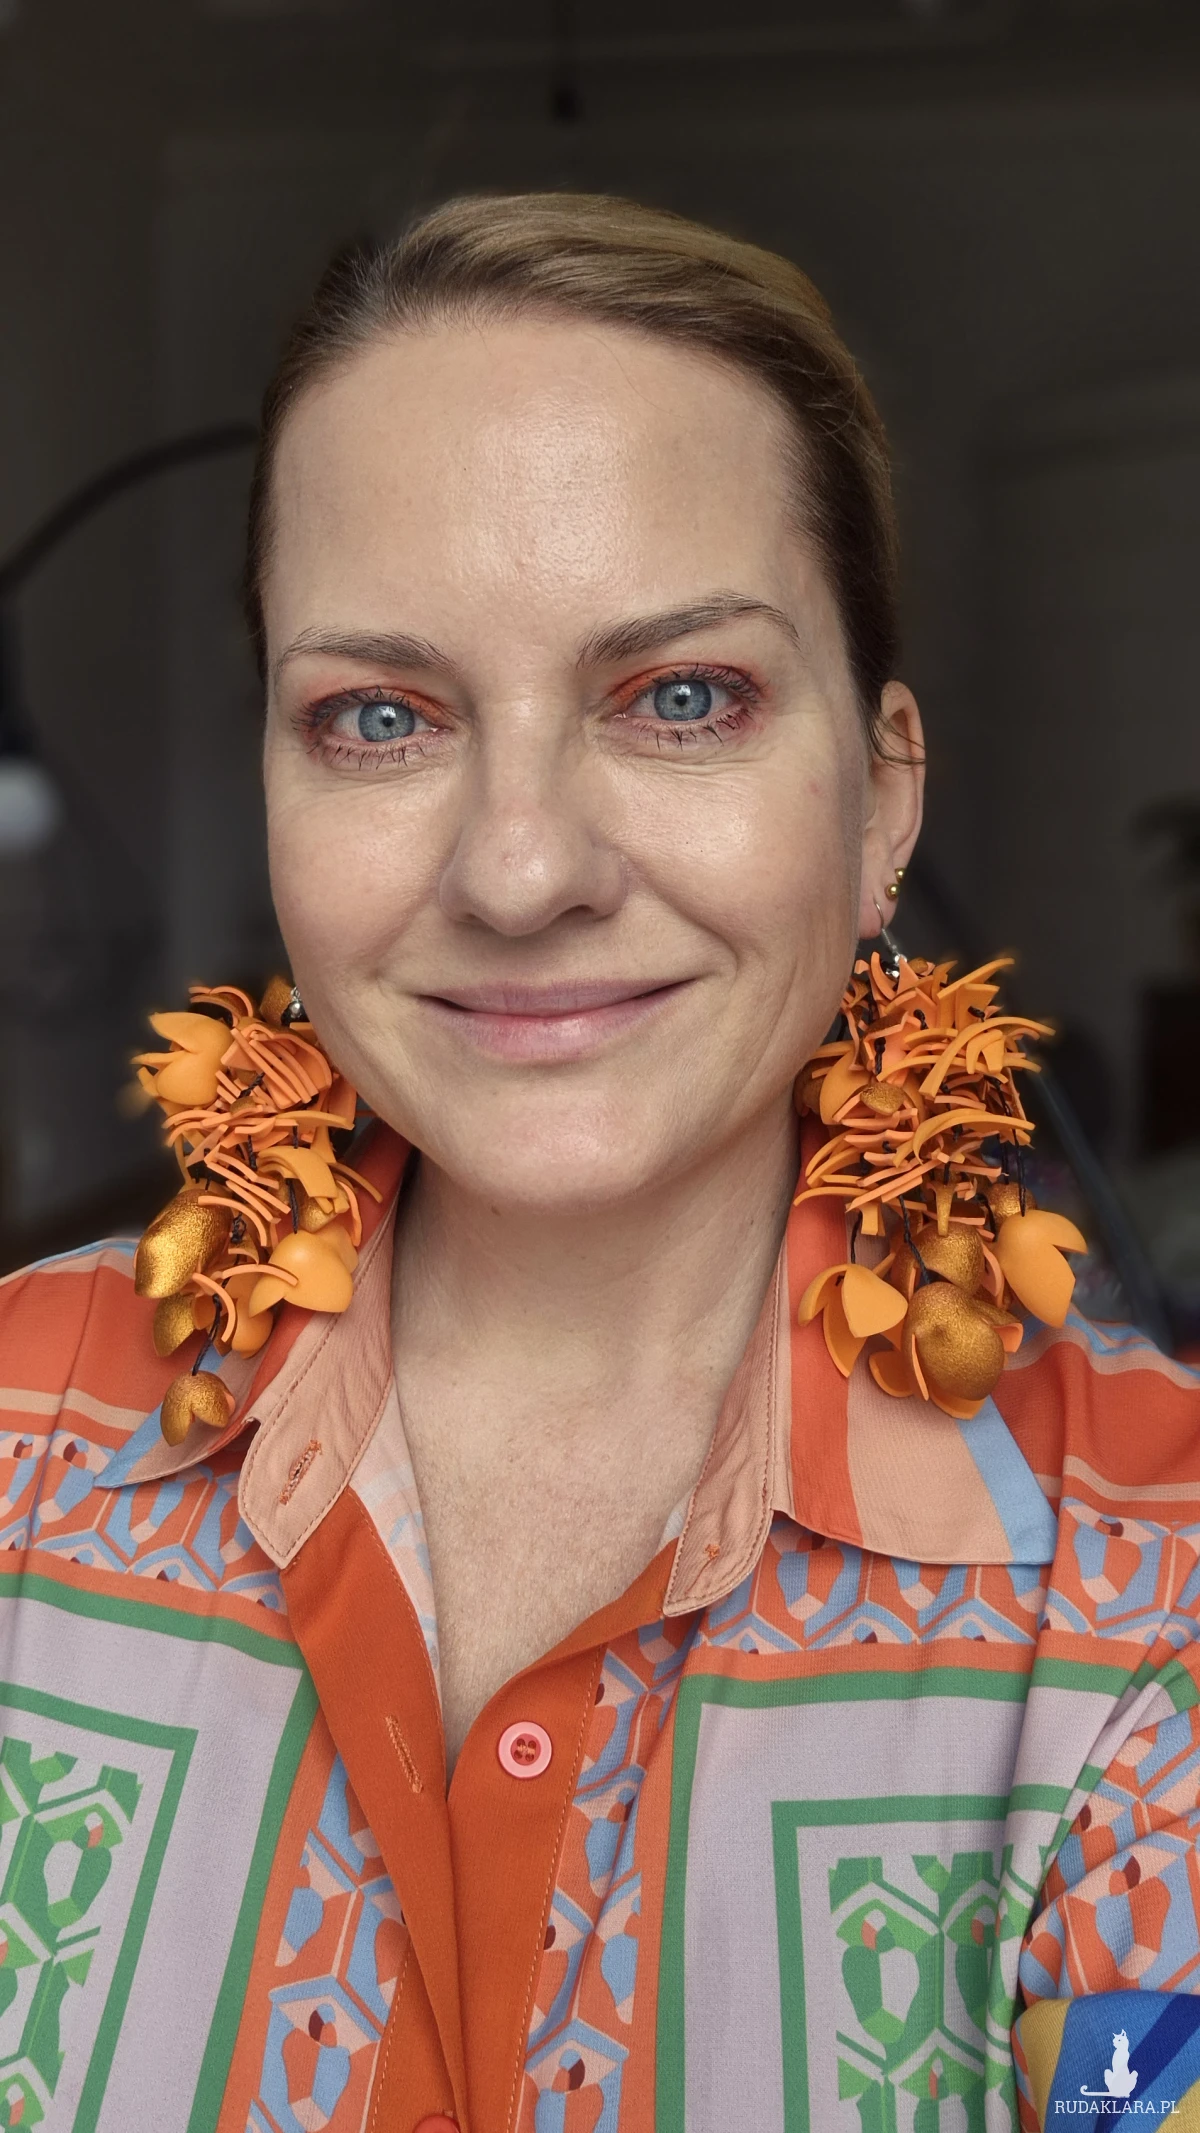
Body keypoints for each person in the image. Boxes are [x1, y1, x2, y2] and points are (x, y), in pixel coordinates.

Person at [3, 193, 1200, 2133]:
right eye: (378, 716)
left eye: (682, 696)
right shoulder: (15, 1456)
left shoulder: (1149, 1595)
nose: (520, 868)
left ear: (883, 797)